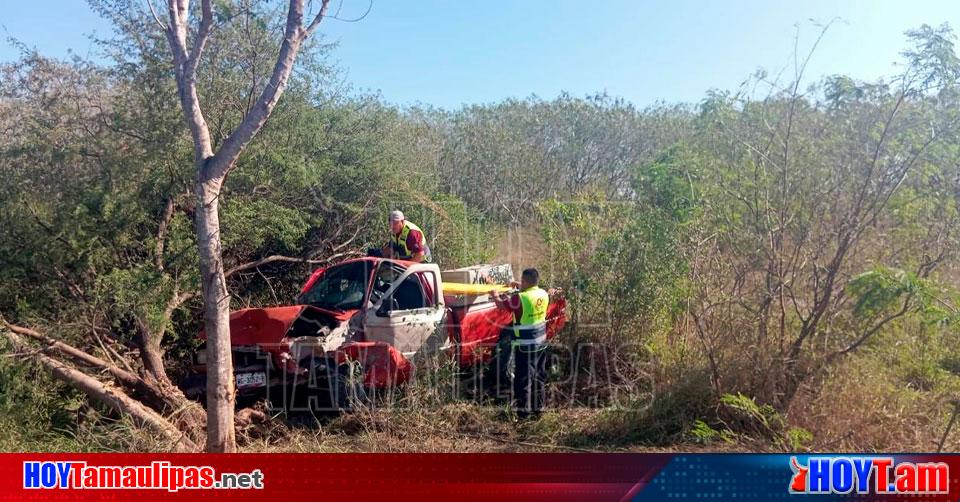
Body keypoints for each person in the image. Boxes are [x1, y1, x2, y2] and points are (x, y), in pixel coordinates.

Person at [492, 267, 550, 420]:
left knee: (523, 381)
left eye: (521, 281)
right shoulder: (543, 293)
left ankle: (523, 416)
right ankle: (539, 410)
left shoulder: (520, 298)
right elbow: (528, 292)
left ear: (525, 281)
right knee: (539, 377)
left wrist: (495, 295)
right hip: (541, 343)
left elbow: (501, 305)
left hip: (525, 346)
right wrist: (516, 284)